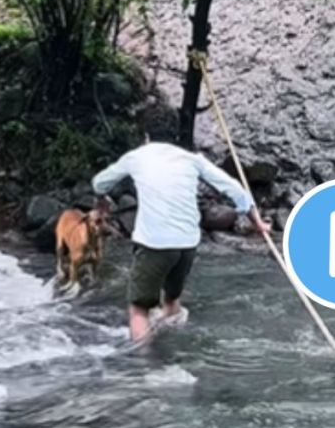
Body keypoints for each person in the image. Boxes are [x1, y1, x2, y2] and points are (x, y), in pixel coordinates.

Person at [92, 123, 271, 342]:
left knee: (138, 310)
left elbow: (99, 182)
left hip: (155, 244)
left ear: (147, 137)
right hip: (187, 245)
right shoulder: (192, 159)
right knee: (171, 302)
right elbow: (233, 188)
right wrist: (258, 223)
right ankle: (175, 348)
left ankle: (143, 370)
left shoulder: (137, 157)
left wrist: (101, 199)